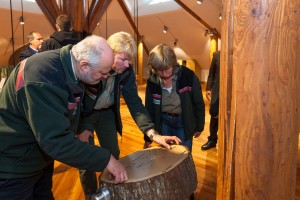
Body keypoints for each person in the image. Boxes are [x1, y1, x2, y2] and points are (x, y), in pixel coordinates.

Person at [0, 35, 128, 200]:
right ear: (84, 65)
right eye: (102, 73)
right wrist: (106, 159)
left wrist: (80, 129)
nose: (105, 77)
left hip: (39, 161)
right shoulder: (43, 76)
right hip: (15, 168)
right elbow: (54, 140)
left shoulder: (70, 66)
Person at [78, 32, 181, 199]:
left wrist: (153, 134)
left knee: (113, 153)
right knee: (85, 159)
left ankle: (110, 191)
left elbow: (135, 103)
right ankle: (91, 195)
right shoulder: (93, 65)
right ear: (110, 53)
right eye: (123, 59)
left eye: (129, 60)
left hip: (107, 114)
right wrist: (80, 127)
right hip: (85, 116)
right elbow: (76, 100)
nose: (127, 65)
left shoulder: (126, 72)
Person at [143, 44, 205, 153]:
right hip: (164, 123)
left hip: (183, 122)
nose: (164, 74)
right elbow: (149, 110)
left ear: (173, 64)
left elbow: (198, 103)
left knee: (184, 156)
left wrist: (199, 126)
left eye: (167, 69)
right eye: (159, 70)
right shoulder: (152, 82)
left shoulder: (188, 76)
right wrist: (148, 137)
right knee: (167, 156)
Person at [201, 50, 220, 150]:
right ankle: (212, 140)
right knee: (214, 113)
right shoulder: (217, 54)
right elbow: (212, 73)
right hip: (217, 90)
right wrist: (208, 88)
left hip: (234, 91)